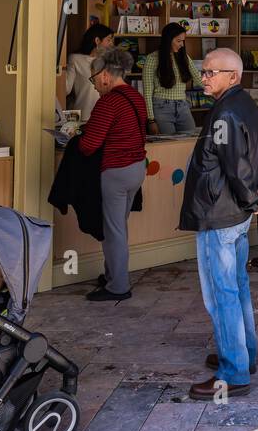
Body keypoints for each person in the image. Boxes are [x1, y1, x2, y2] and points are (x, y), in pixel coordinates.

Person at [180, 48, 258, 400]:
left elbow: (235, 166)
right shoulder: (246, 105)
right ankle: (243, 354)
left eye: (211, 72)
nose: (204, 78)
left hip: (219, 213)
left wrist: (252, 196)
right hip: (235, 213)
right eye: (203, 72)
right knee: (237, 287)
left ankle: (233, 371)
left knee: (221, 295)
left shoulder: (225, 113)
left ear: (233, 76)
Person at [78, 47, 150, 302]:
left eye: (94, 79)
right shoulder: (135, 96)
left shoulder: (108, 102)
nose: (95, 85)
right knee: (118, 226)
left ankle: (118, 285)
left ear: (105, 75)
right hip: (136, 169)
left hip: (115, 172)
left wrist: (74, 138)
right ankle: (112, 275)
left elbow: (89, 145)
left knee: (114, 230)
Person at [143, 22, 201, 135]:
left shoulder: (184, 57)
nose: (182, 45)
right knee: (168, 145)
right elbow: (147, 92)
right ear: (168, 40)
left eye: (183, 41)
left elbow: (198, 78)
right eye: (178, 41)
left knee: (190, 142)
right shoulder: (152, 59)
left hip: (183, 107)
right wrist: (151, 120)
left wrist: (220, 90)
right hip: (161, 108)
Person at [65, 23, 113, 122]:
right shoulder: (75, 59)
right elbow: (66, 89)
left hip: (105, 117)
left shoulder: (108, 61)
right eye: (108, 40)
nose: (111, 44)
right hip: (82, 117)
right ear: (97, 41)